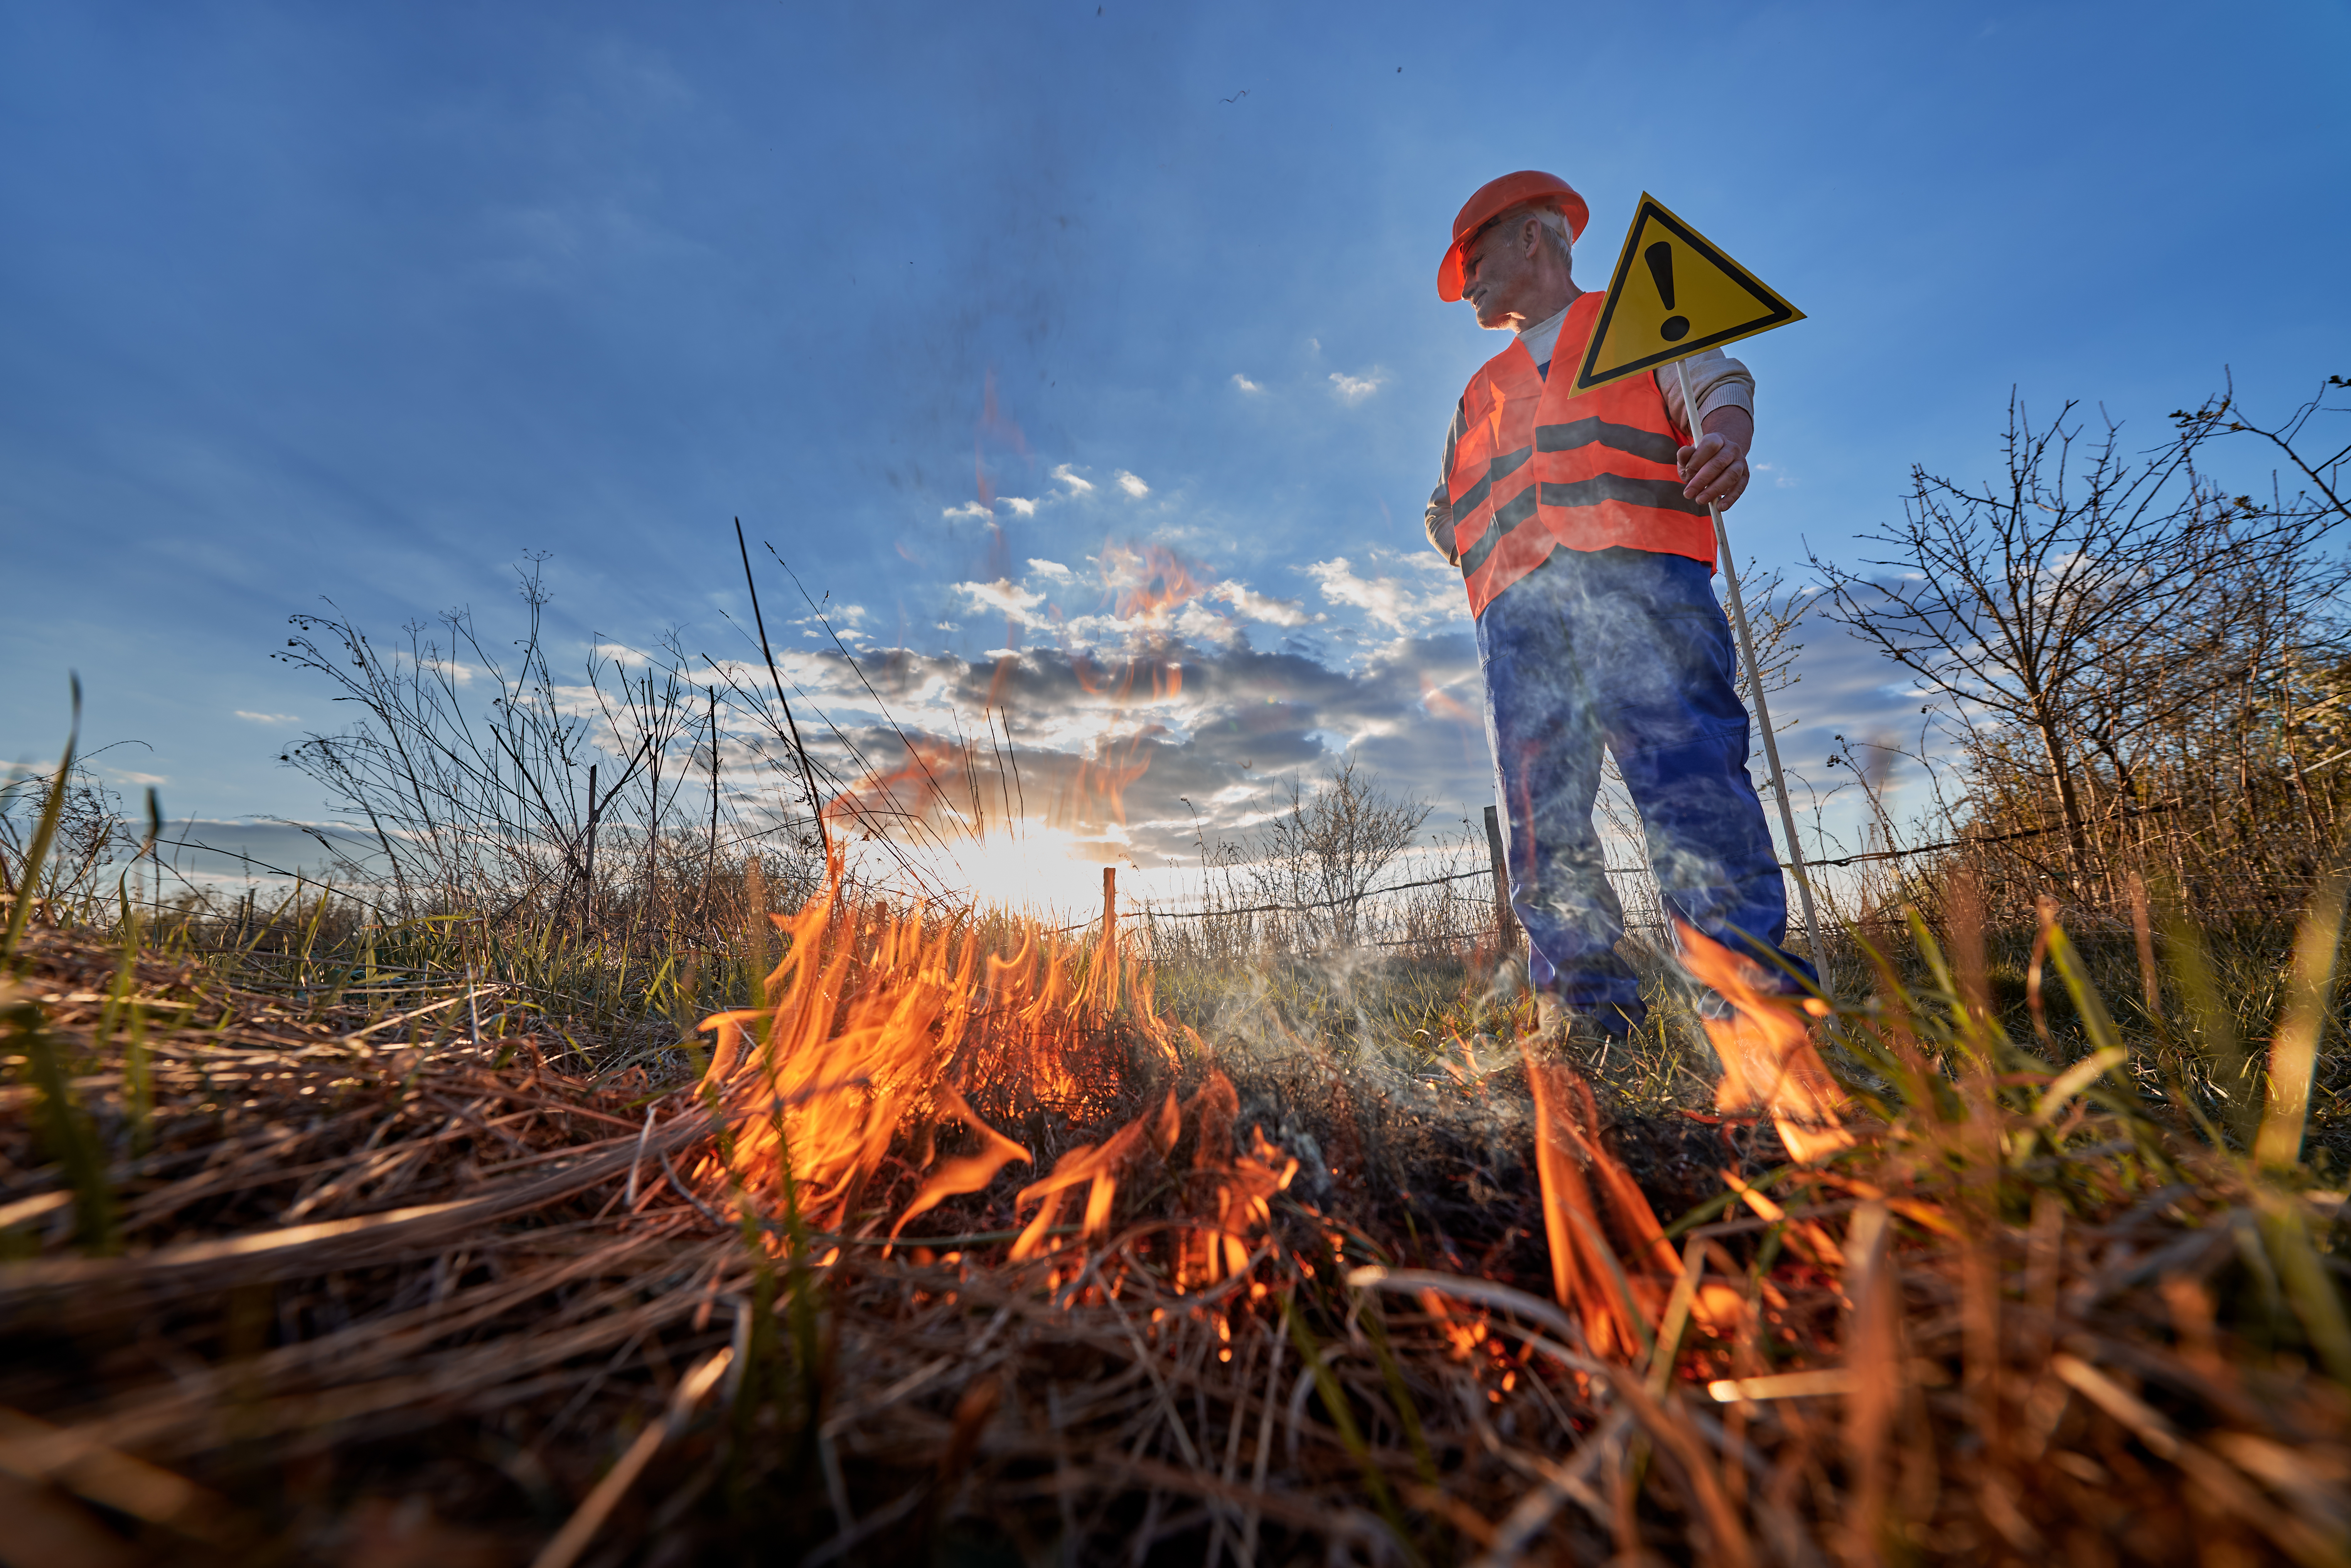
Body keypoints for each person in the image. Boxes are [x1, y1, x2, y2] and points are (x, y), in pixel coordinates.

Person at [1424, 170, 1812, 1046]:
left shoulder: (1635, 322)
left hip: (1642, 586)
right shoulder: (1475, 392)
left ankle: (1754, 1020)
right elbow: (1439, 507)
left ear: (1532, 237)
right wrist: (1467, 545)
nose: (1466, 283)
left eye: (1473, 260)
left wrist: (1724, 444)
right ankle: (1587, 1021)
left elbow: (1720, 384)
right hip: (1517, 618)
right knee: (1542, 820)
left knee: (1690, 788)